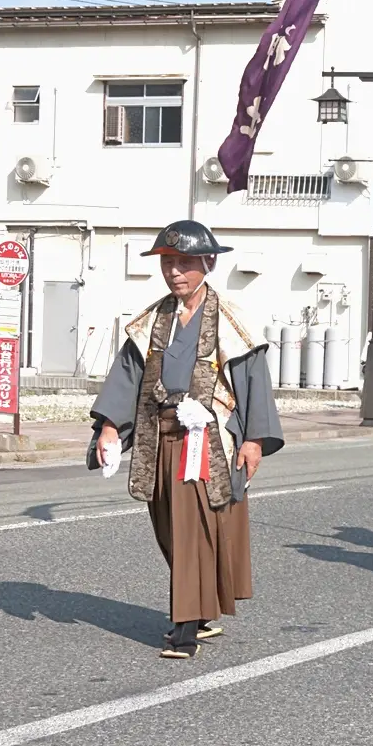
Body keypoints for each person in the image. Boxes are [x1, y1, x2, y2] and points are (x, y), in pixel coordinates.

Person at [87, 221, 283, 659]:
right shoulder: (153, 320)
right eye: (168, 263)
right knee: (169, 526)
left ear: (207, 264)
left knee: (195, 527)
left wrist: (254, 439)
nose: (175, 272)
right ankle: (200, 607)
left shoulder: (231, 320)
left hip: (207, 442)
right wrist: (108, 426)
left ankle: (186, 627)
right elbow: (127, 376)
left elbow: (253, 380)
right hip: (160, 437)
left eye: (185, 263)